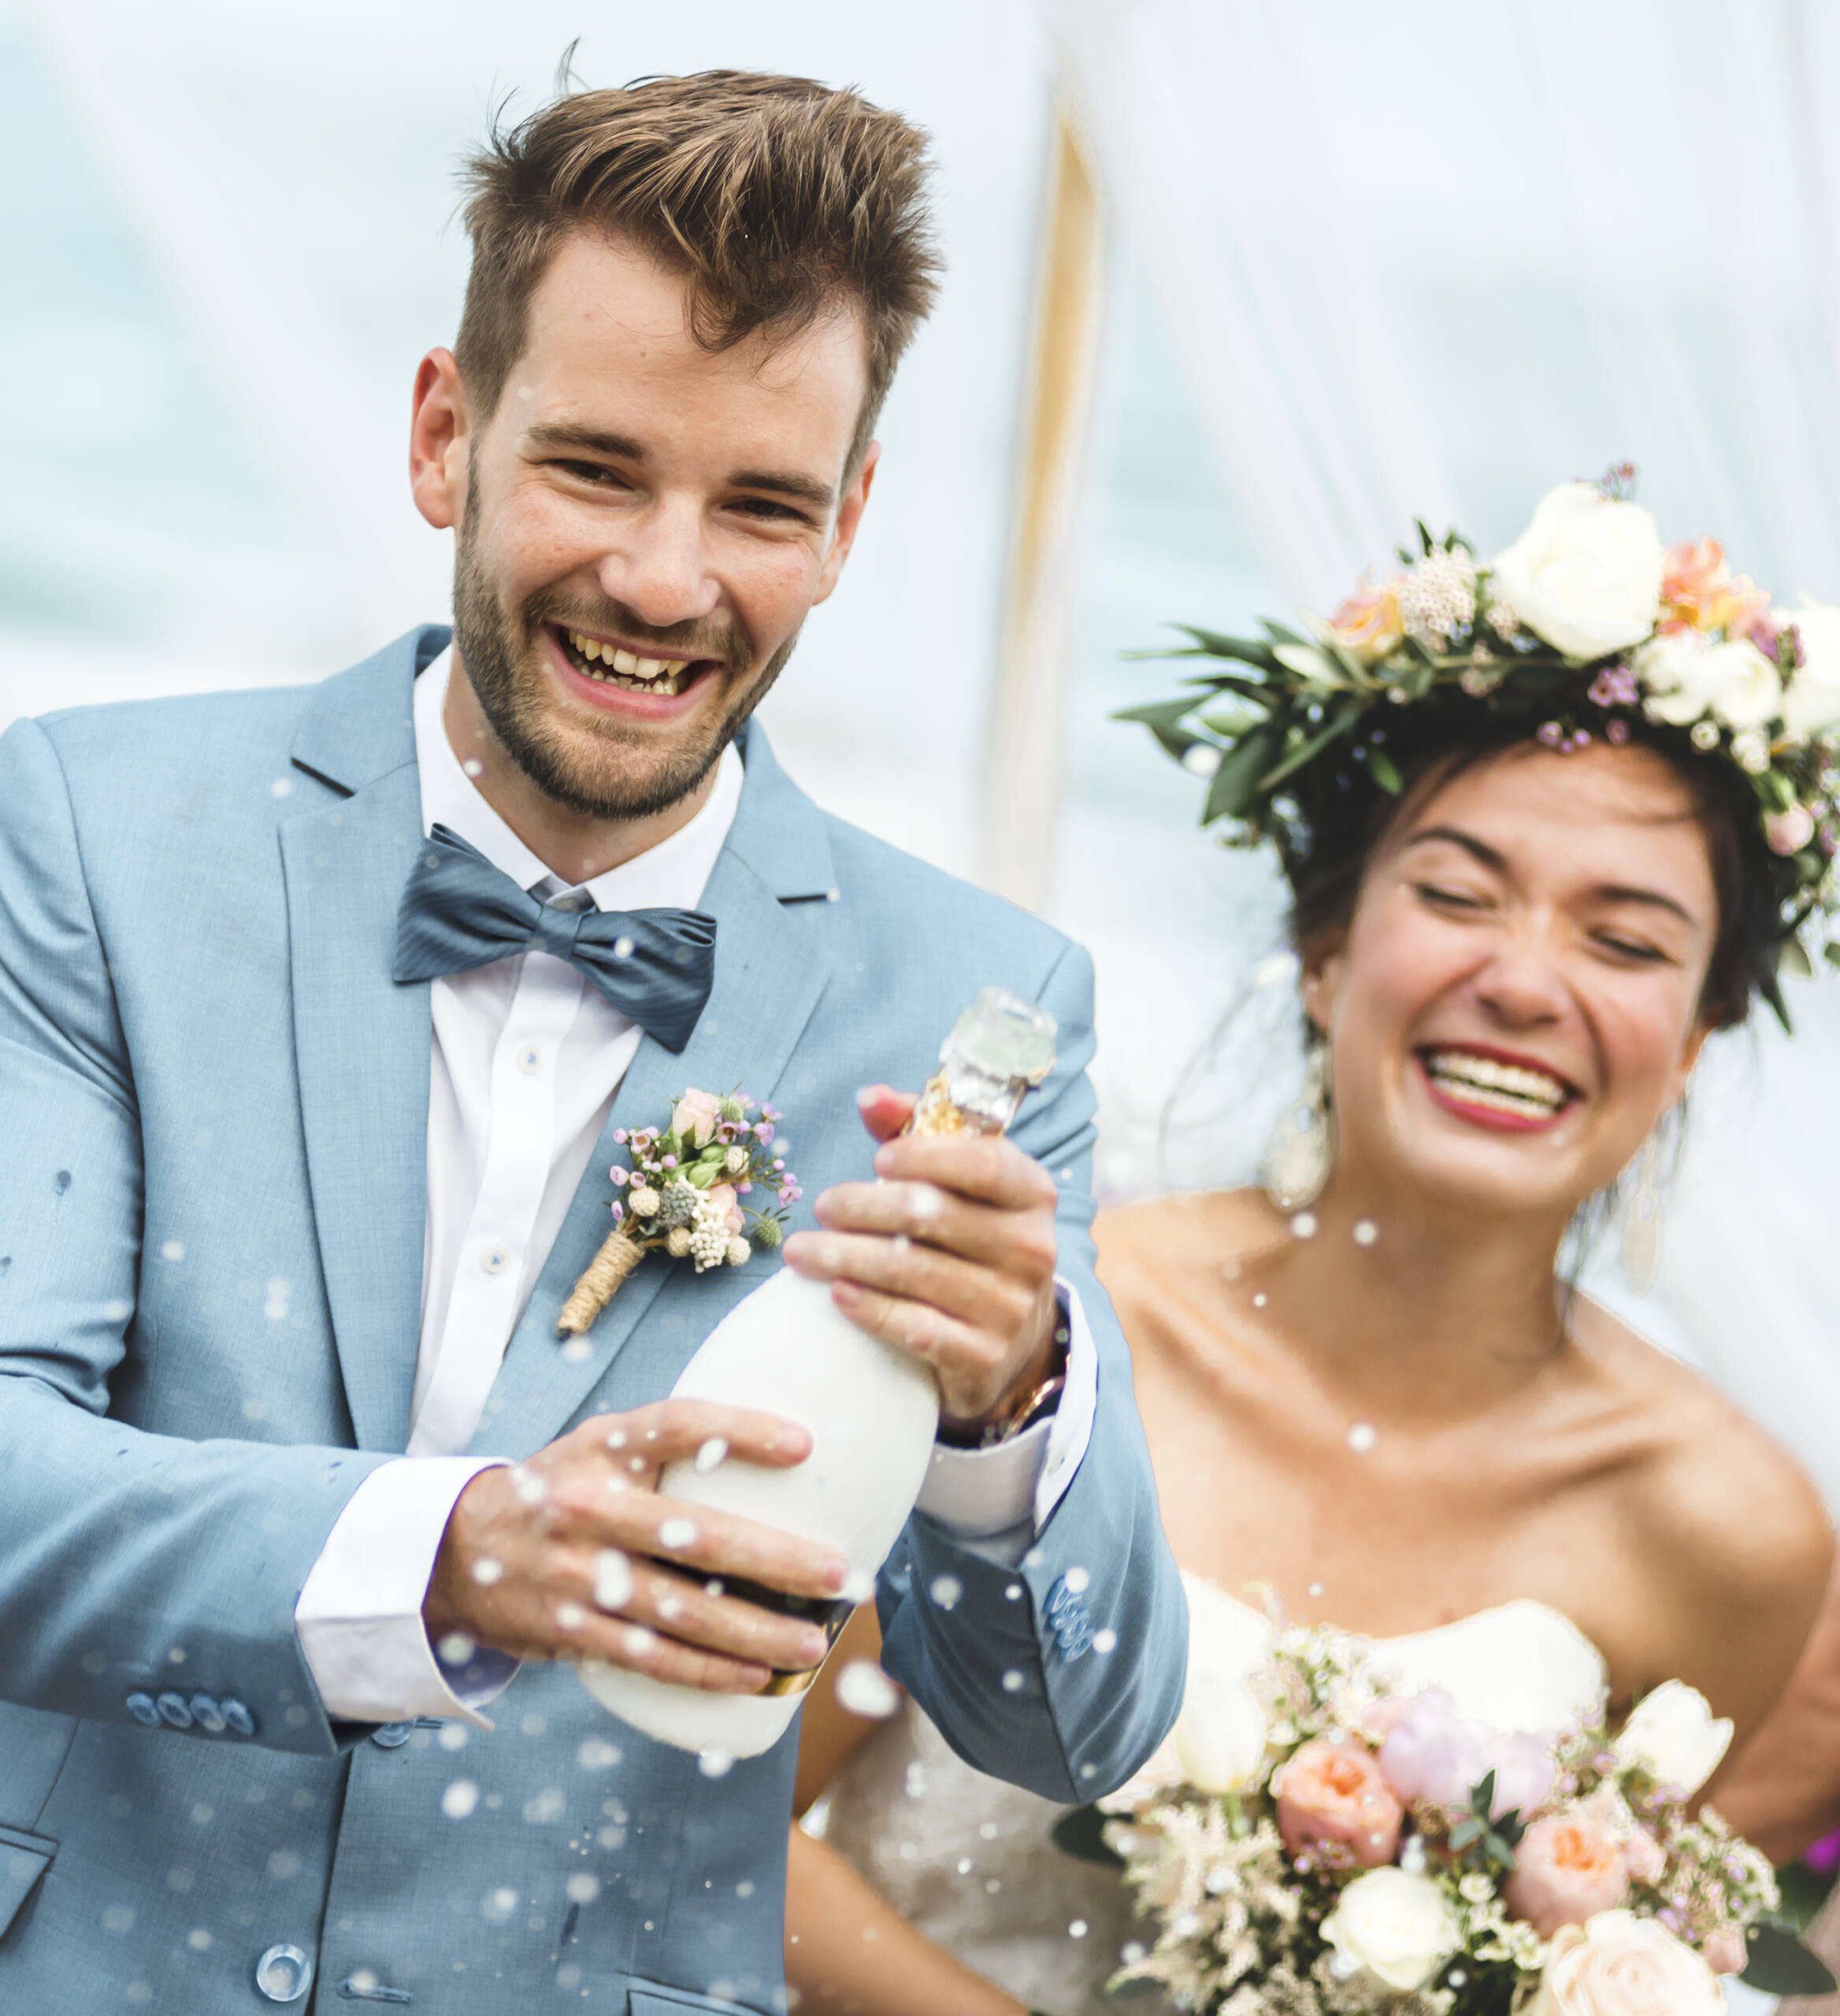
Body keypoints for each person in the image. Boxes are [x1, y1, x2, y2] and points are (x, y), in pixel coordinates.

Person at [0, 72, 1188, 2014]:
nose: (663, 579)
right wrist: (454, 1549)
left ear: (850, 521)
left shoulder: (987, 1006)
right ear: (443, 435)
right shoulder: (85, 833)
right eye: (597, 468)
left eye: (761, 505)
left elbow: (1070, 1730)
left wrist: (1007, 1408)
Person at [785, 484, 1838, 2015]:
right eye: (1458, 893)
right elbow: (710, 1826)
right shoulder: (1035, 1337)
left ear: (1692, 1037)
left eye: (1623, 940)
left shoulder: (1723, 1528)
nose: (1523, 982)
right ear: (1326, 944)